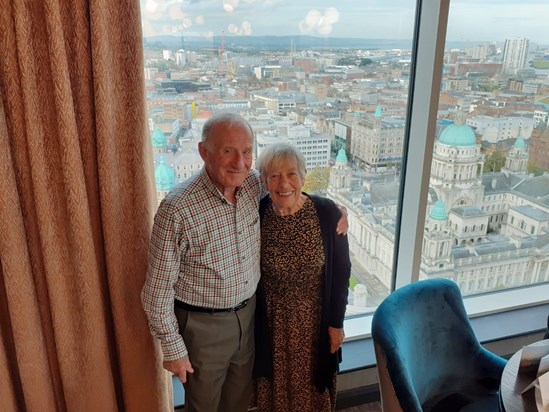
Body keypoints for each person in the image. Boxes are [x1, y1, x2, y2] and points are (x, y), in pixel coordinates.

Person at [141, 113, 347, 412]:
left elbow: (288, 190)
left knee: (239, 403)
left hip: (250, 319)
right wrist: (173, 348)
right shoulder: (177, 209)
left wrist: (335, 209)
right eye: (228, 151)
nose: (240, 161)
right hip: (204, 326)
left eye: (247, 151)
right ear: (204, 152)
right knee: (204, 406)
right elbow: (155, 294)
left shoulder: (253, 185)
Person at [253, 143, 351, 412]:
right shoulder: (258, 214)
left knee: (313, 393)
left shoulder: (327, 213)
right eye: (274, 176)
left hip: (314, 324)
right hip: (272, 324)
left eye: (291, 174)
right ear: (264, 181)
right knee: (275, 394)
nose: (283, 183)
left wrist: (336, 324)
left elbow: (342, 273)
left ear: (303, 177)